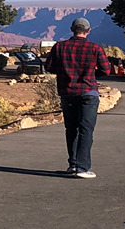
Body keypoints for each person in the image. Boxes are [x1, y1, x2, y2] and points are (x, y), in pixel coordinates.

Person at [44, 17, 111, 179]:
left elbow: (49, 67)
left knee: (71, 128)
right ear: (88, 31)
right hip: (88, 92)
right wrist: (92, 74)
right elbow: (107, 70)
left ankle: (73, 164)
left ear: (72, 29)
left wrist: (64, 71)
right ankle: (83, 167)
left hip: (67, 92)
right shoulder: (95, 48)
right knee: (86, 129)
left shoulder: (59, 47)